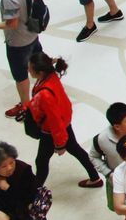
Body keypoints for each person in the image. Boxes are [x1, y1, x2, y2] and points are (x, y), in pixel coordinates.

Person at [25, 52, 103, 189]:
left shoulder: (45, 94)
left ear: (41, 72)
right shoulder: (51, 76)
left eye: (30, 68)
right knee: (76, 149)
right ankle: (95, 177)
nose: (28, 69)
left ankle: (35, 193)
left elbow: (54, 120)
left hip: (52, 130)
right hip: (64, 122)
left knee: (41, 161)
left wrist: (60, 144)